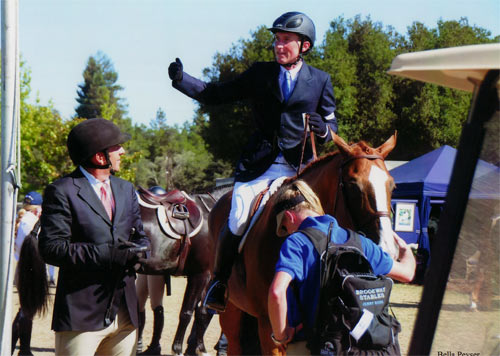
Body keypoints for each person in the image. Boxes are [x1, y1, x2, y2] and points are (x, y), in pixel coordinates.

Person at [168, 11, 337, 312]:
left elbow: (331, 129)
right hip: (262, 165)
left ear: (304, 46)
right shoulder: (260, 74)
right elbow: (215, 93)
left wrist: (323, 129)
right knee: (238, 216)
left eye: (286, 40)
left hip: (301, 167)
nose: (279, 45)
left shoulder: (321, 81)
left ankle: (335, 280)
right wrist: (182, 80)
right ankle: (219, 283)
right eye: (277, 39)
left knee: (332, 213)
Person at [38, 118, 151, 356]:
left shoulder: (126, 189)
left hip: (125, 315)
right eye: (116, 147)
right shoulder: (62, 191)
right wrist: (107, 254)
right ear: (100, 157)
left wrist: (140, 252)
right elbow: (52, 248)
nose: (122, 151)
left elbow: (139, 235)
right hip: (81, 316)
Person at [268, 180, 416, 355]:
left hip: (313, 345)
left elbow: (277, 292)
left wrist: (281, 335)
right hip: (360, 347)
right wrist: (407, 252)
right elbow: (407, 274)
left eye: (284, 227)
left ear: (290, 216)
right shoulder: (359, 241)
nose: (288, 231)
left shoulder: (296, 242)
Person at [12, 191, 44, 356]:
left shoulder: (24, 220)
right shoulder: (31, 222)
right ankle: (22, 349)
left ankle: (22, 349)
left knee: (25, 310)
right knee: (26, 310)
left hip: (24, 267)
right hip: (30, 268)